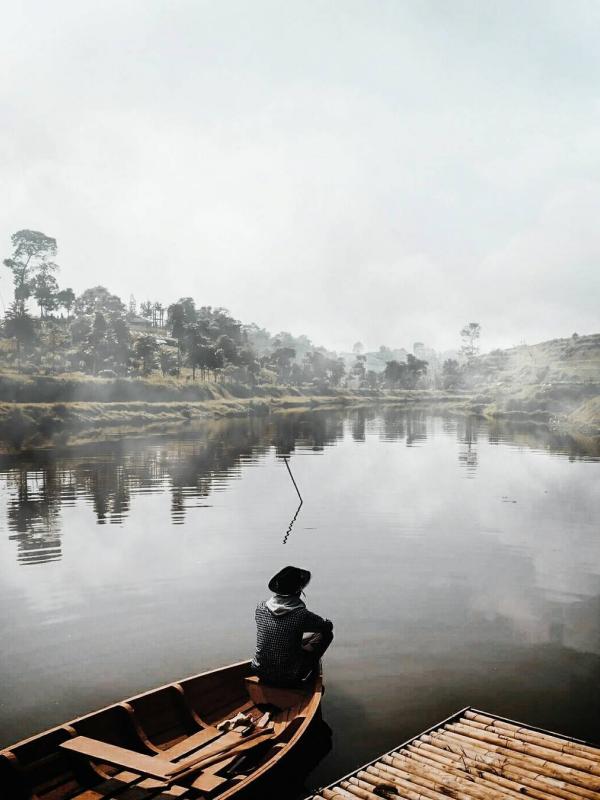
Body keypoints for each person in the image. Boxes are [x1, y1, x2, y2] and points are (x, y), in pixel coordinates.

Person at [251, 565, 334, 687]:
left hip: (258, 671)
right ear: (298, 591)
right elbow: (327, 626)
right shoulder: (301, 614)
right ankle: (310, 679)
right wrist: (326, 623)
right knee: (326, 634)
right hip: (288, 676)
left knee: (295, 637)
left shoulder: (261, 607)